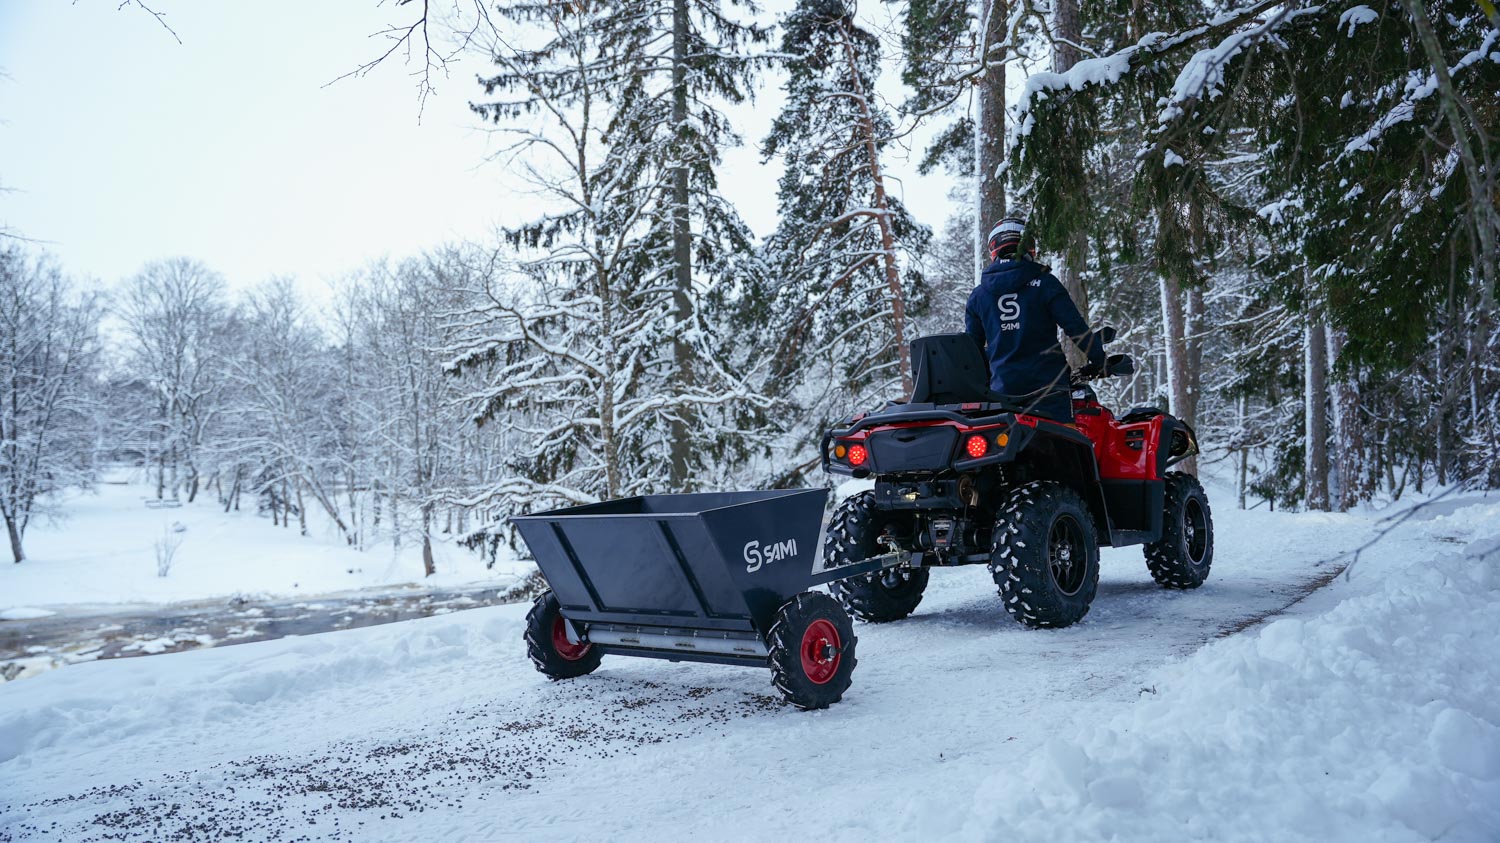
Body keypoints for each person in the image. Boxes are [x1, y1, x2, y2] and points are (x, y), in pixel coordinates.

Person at [964, 216, 1104, 422]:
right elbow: (1075, 327)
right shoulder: (1046, 283)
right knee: (1064, 447)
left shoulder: (979, 295)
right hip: (1049, 388)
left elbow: (971, 349)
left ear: (994, 249)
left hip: (1002, 393)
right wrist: (1100, 360)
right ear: (1030, 247)